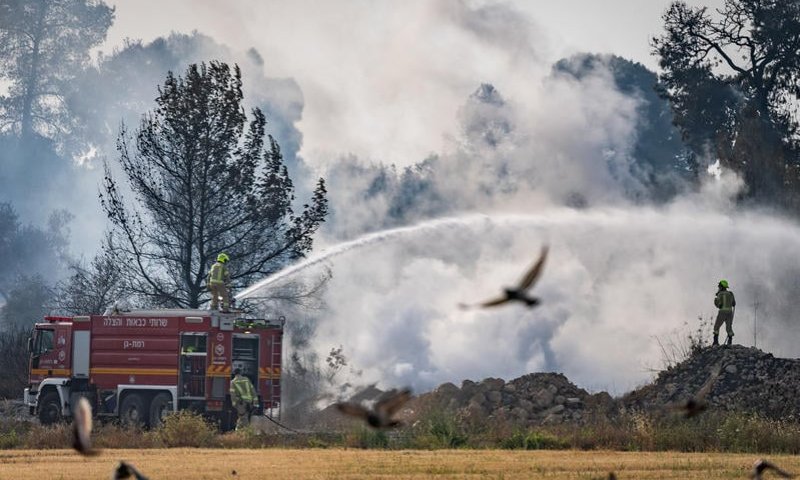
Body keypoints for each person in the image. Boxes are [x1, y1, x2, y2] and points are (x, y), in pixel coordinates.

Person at [713, 279, 736, 346]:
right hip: (729, 313)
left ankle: (715, 342)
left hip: (722, 313)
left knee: (716, 327)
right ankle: (730, 342)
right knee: (729, 327)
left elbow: (718, 304)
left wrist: (716, 300)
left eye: (719, 286)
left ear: (721, 287)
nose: (718, 288)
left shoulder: (720, 294)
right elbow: (734, 303)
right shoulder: (731, 294)